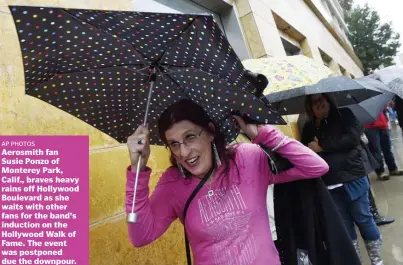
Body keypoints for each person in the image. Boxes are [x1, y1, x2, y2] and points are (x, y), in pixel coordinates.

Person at [125, 99, 329, 265]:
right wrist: (137, 171)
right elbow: (139, 236)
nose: (183, 152)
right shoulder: (173, 182)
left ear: (211, 131)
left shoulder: (246, 158)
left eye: (190, 137)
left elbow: (315, 166)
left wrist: (264, 135)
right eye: (174, 144)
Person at [301, 93, 384, 265]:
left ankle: (377, 261)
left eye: (321, 100)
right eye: (314, 102)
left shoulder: (344, 115)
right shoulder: (308, 127)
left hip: (353, 177)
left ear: (328, 100)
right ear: (309, 106)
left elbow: (352, 139)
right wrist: (311, 149)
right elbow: (305, 150)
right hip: (328, 183)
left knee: (364, 219)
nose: (318, 104)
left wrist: (322, 146)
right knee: (344, 228)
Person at [364, 107, 403, 180]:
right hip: (370, 127)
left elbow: (384, 108)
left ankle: (393, 168)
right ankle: (380, 171)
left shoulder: (377, 98)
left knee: (387, 149)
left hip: (383, 125)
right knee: (376, 151)